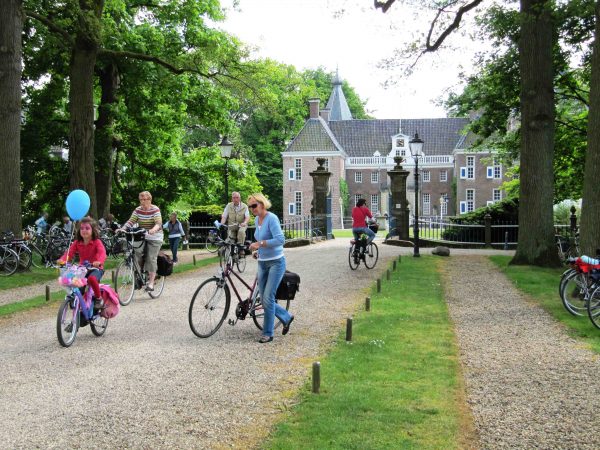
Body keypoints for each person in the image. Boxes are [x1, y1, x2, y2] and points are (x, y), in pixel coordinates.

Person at [247, 193, 293, 343]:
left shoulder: (271, 218)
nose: (252, 208)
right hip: (262, 262)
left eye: (254, 205)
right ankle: (286, 316)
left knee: (267, 297)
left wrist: (259, 244)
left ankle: (268, 333)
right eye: (250, 206)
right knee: (265, 299)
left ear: (262, 204)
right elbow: (260, 240)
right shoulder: (256, 219)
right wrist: (257, 251)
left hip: (276, 263)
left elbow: (280, 240)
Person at [58, 217, 107, 310]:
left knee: (92, 279)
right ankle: (79, 307)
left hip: (95, 268)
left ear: (93, 230)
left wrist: (99, 262)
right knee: (75, 286)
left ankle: (98, 298)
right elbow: (69, 253)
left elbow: (102, 253)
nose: (84, 230)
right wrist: (63, 260)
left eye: (87, 228)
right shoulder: (77, 242)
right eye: (82, 228)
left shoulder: (97, 242)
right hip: (82, 269)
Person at [119, 191, 163, 291]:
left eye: (144, 199)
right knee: (135, 253)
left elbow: (158, 223)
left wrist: (153, 230)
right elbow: (131, 221)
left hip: (155, 236)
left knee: (151, 257)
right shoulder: (138, 210)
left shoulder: (155, 209)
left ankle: (151, 283)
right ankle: (138, 278)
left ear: (149, 200)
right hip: (142, 235)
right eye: (140, 200)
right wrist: (123, 228)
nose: (142, 202)